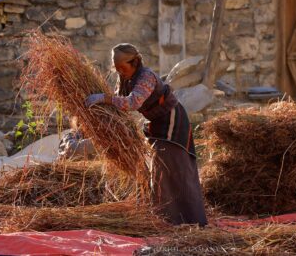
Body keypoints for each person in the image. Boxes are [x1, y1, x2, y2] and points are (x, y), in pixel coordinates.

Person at [85, 43, 207, 226]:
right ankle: (166, 218)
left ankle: (188, 219)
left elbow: (132, 103)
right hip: (155, 123)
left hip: (172, 122)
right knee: (158, 170)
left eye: (122, 67)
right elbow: (120, 99)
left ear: (134, 62)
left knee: (174, 167)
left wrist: (104, 98)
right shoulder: (125, 78)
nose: (119, 71)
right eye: (116, 67)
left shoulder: (146, 77)